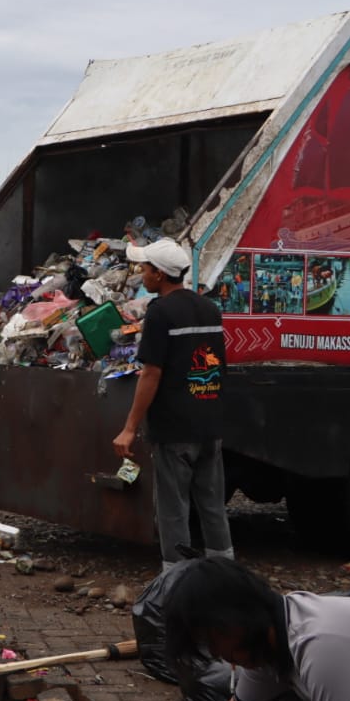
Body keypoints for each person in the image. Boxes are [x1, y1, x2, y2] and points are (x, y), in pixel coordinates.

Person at [164, 557, 350, 701]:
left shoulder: (321, 648)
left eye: (212, 641)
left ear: (233, 618)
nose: (218, 654)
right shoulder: (273, 640)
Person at [114, 238, 234, 572]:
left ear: (160, 274)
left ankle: (177, 579)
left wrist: (129, 428)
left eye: (145, 269)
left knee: (173, 508)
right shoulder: (209, 309)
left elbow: (151, 373)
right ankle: (226, 574)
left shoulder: (160, 313)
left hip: (175, 427)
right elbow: (219, 366)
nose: (142, 274)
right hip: (210, 424)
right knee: (212, 505)